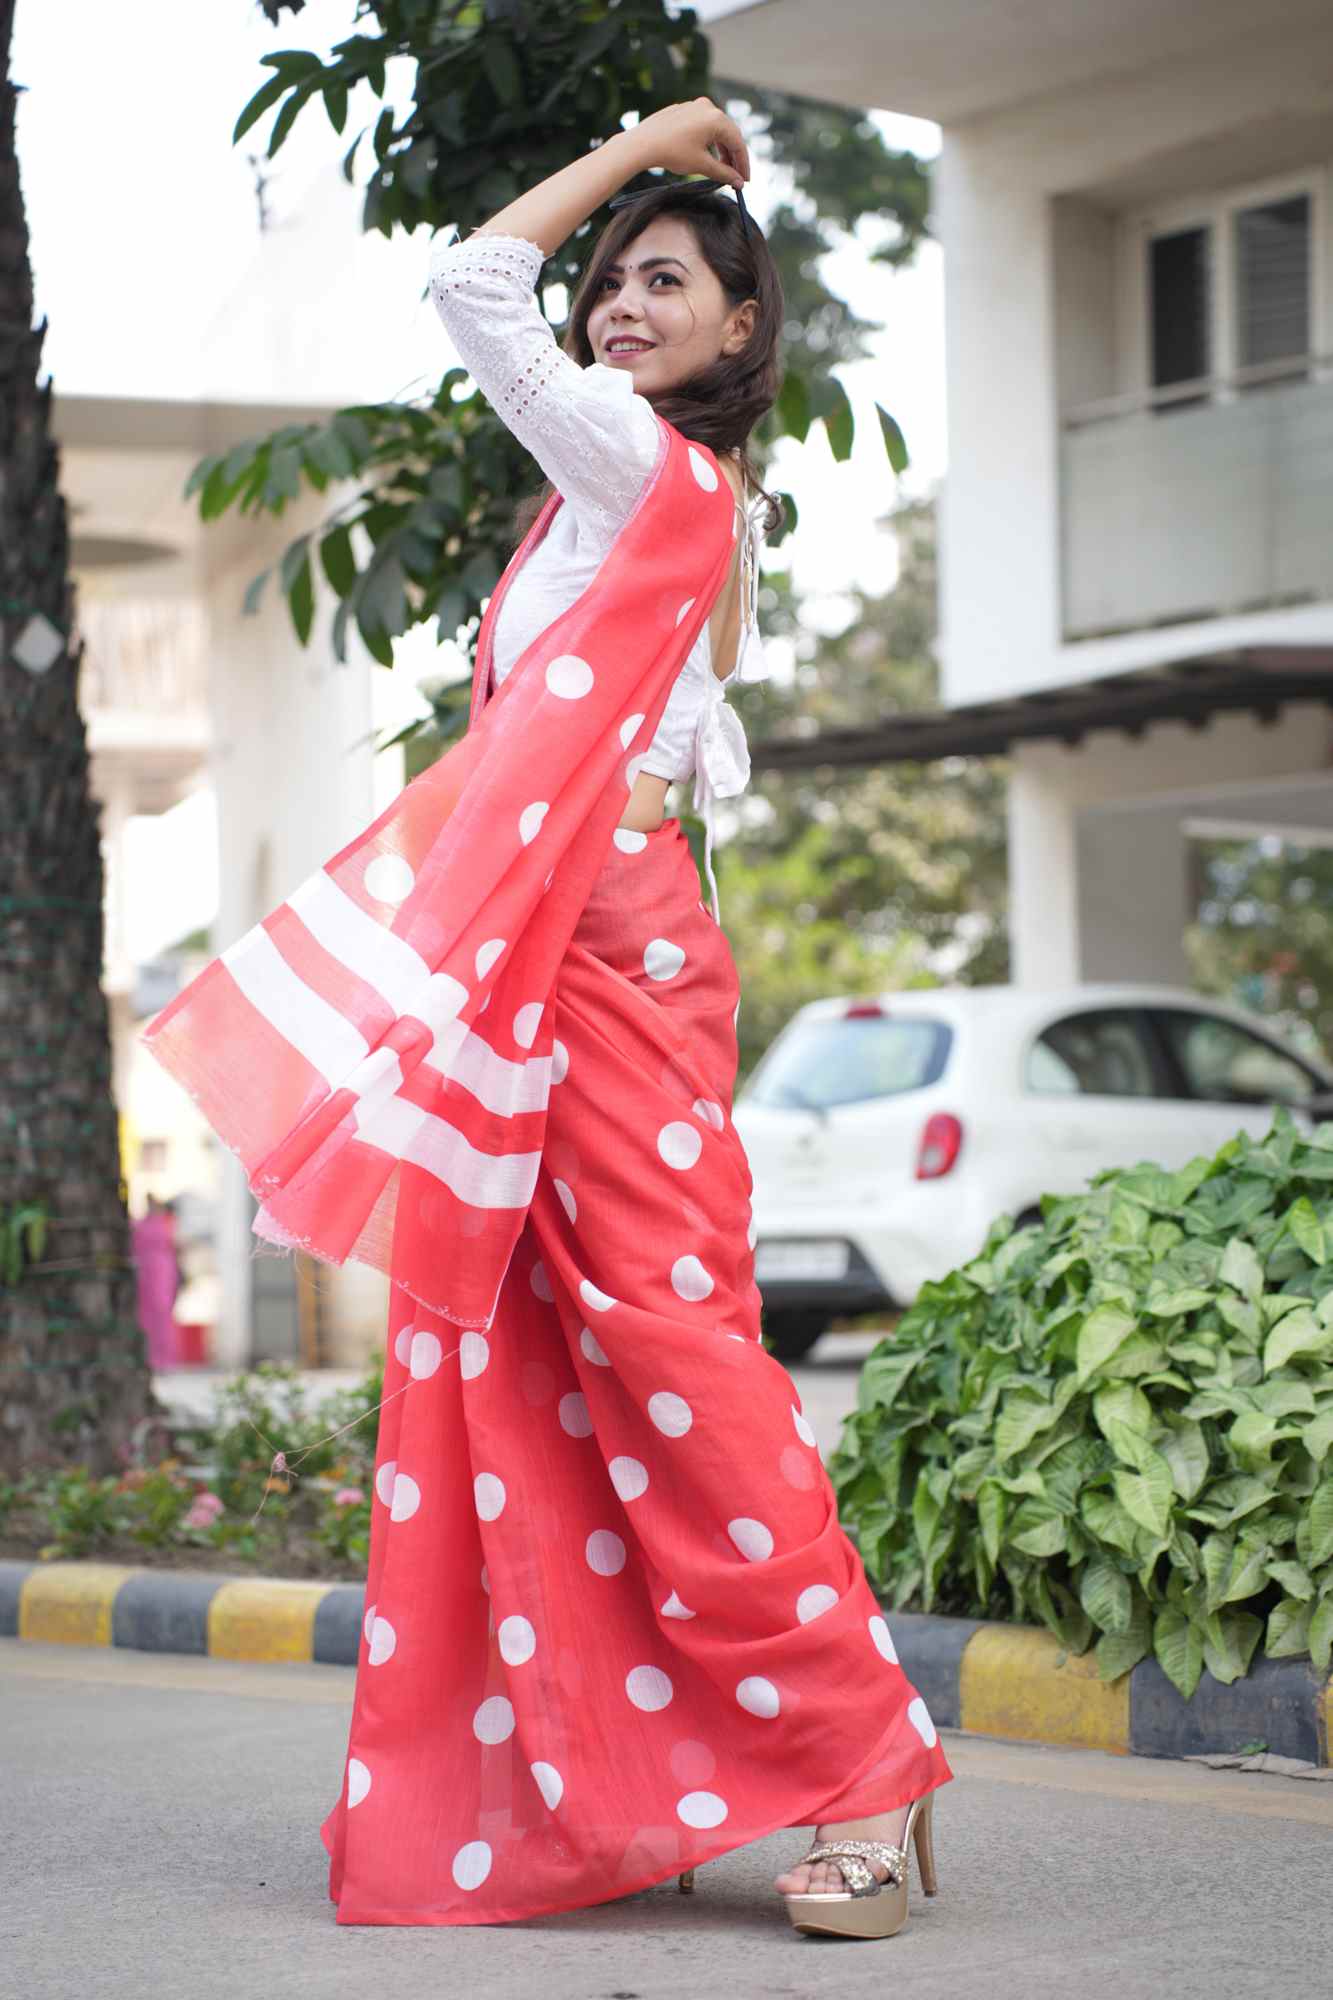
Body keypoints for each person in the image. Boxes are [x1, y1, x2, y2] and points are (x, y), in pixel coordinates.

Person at [145, 98, 950, 1939]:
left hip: (615, 970)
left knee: (673, 1366)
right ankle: (612, 1782)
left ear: (743, 332)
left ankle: (862, 1766)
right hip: (565, 968)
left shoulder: (633, 473)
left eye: (660, 281)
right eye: (612, 283)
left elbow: (465, 280)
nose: (610, 305)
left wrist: (641, 142)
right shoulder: (636, 508)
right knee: (543, 1377)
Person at [131, 1195, 182, 1371]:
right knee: (147, 1316)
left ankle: (163, 1358)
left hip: (162, 1274)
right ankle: (149, 1357)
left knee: (162, 1315)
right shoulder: (143, 1224)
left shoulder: (167, 1223)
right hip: (146, 1274)